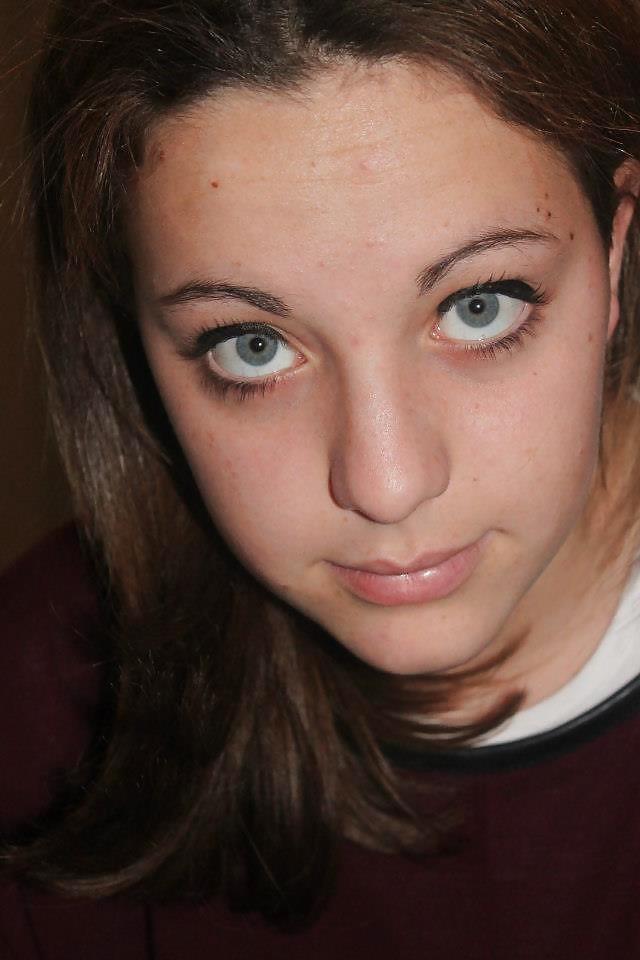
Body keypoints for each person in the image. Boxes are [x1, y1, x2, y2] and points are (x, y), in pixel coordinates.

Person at [2, 0, 640, 956]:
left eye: (478, 306)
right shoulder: (42, 710)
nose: (386, 485)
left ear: (616, 251)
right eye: (251, 347)